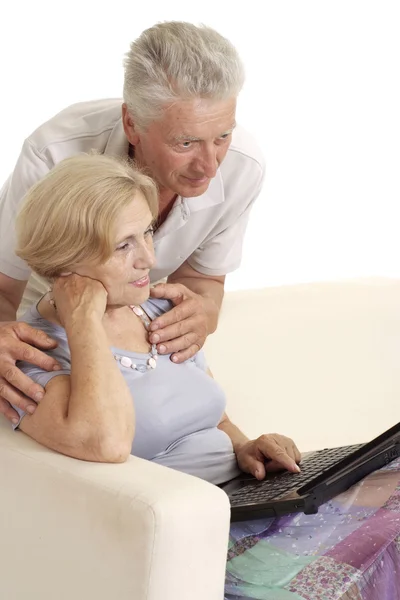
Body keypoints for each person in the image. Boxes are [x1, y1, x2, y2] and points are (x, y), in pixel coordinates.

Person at [0, 21, 265, 424]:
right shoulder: (54, 153)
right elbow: (3, 288)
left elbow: (203, 284)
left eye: (222, 136)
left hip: (141, 330)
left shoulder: (244, 166)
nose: (210, 165)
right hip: (53, 335)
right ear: (131, 125)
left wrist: (200, 316)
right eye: (185, 143)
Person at [11, 153, 299, 485]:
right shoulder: (29, 353)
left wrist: (247, 447)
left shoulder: (160, 308)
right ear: (66, 258)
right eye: (123, 246)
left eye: (147, 232)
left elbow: (217, 422)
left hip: (243, 496)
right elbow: (108, 444)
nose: (149, 258)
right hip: (179, 526)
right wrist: (84, 319)